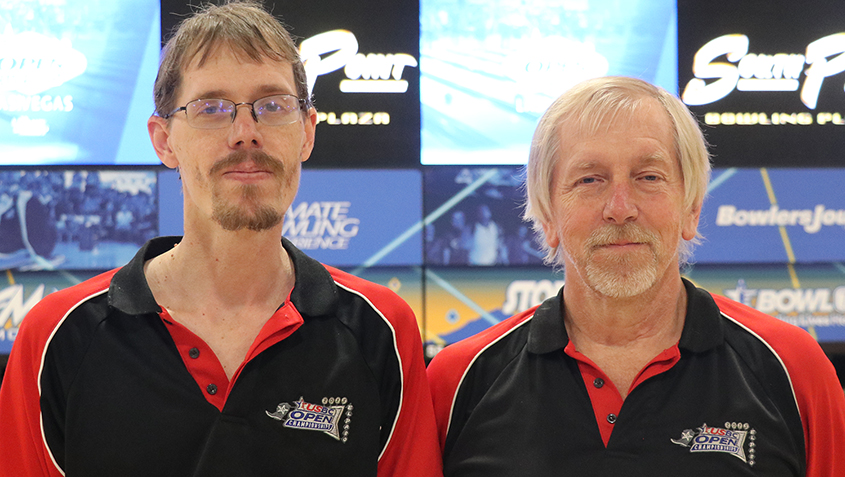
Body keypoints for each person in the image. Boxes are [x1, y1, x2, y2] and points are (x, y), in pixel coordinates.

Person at [0, 2, 440, 476]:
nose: (245, 133)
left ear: (307, 133)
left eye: (273, 106)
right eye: (211, 108)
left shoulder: (382, 330)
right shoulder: (54, 336)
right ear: (164, 140)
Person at [426, 76, 845, 476]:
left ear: (692, 209)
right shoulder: (456, 381)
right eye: (590, 179)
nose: (620, 207)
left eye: (649, 177)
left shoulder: (793, 369)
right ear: (547, 214)